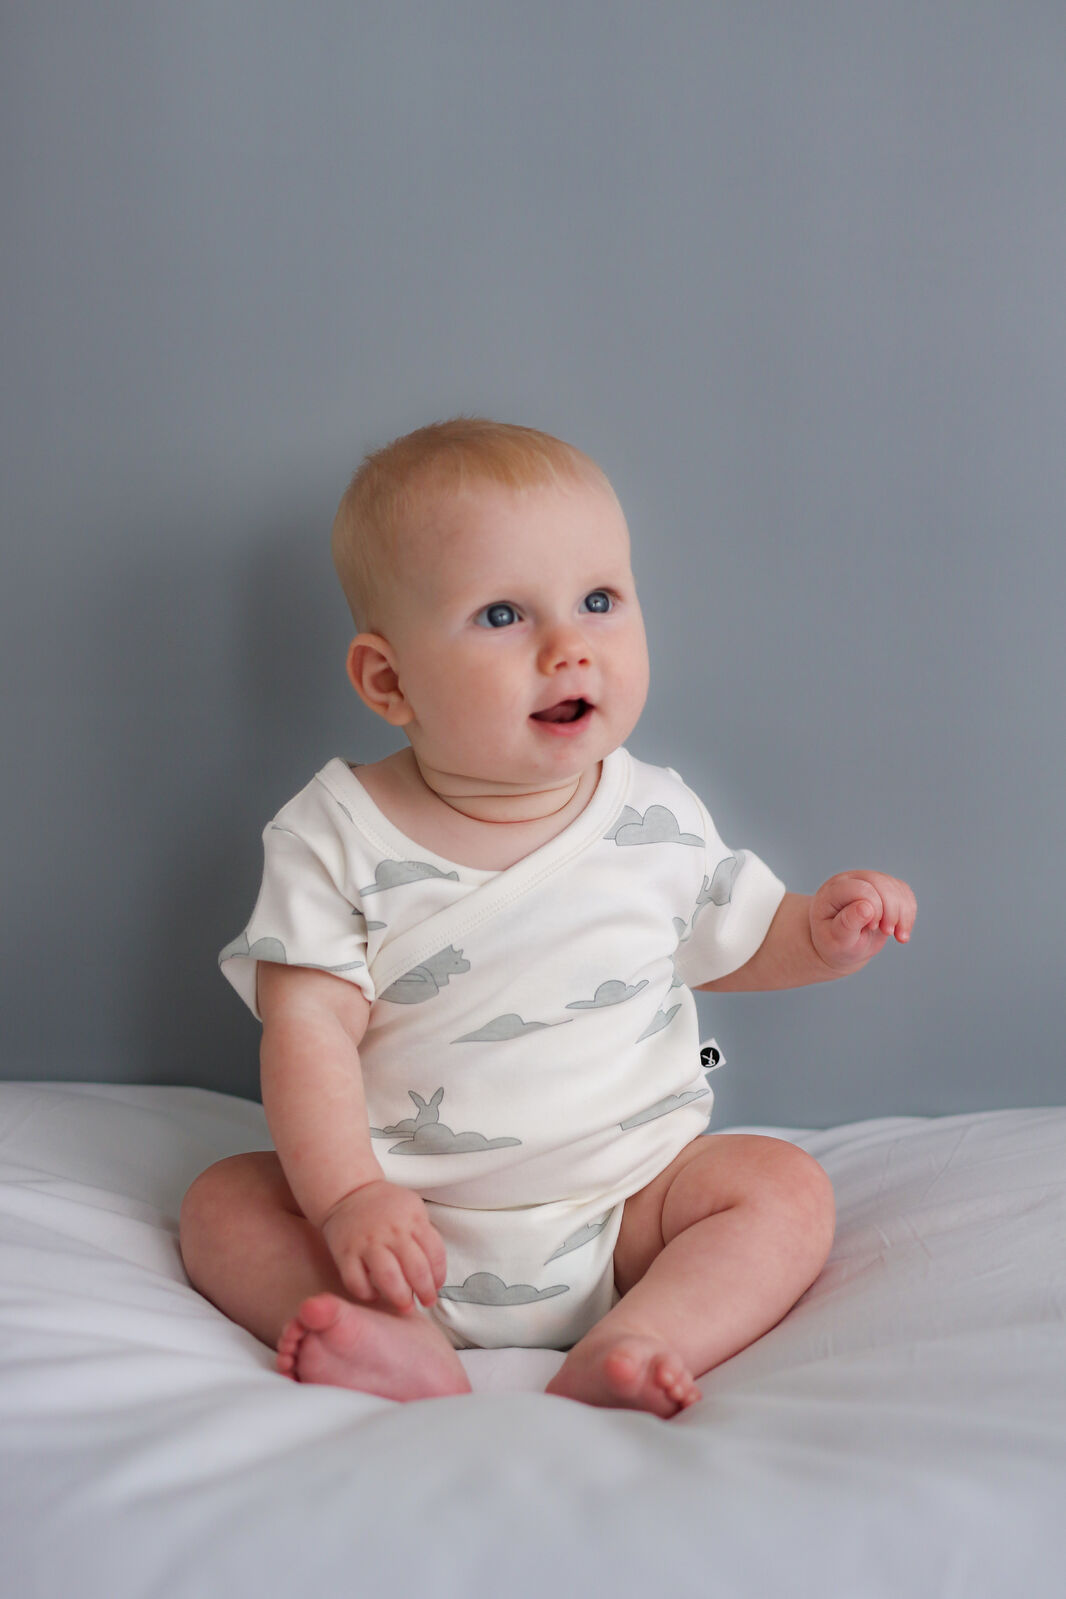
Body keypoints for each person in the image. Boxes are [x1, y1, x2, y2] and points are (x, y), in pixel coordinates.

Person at [180, 417, 916, 1418]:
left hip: (629, 1210)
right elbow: (306, 1031)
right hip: (403, 1228)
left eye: (599, 601)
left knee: (783, 1188)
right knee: (223, 1205)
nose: (570, 647)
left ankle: (638, 1338)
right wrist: (348, 1197)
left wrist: (821, 934)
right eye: (501, 615)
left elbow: (737, 938)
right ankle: (396, 1341)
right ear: (388, 680)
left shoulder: (654, 812)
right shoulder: (334, 835)